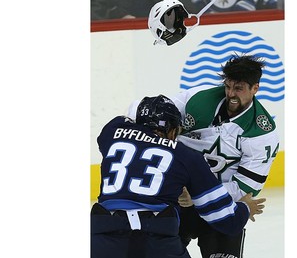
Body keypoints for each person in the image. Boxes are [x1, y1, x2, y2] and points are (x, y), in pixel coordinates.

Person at [128, 54, 279, 257]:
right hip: (177, 203)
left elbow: (245, 189)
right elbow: (144, 113)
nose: (231, 94)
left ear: (255, 88)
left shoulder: (262, 133)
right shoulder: (198, 99)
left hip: (221, 209)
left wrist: (199, 195)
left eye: (239, 88)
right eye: (228, 86)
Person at [91, 95, 267, 258]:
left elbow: (122, 121)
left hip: (104, 237)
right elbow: (227, 220)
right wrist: (245, 208)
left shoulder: (111, 134)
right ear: (171, 130)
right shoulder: (186, 156)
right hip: (156, 241)